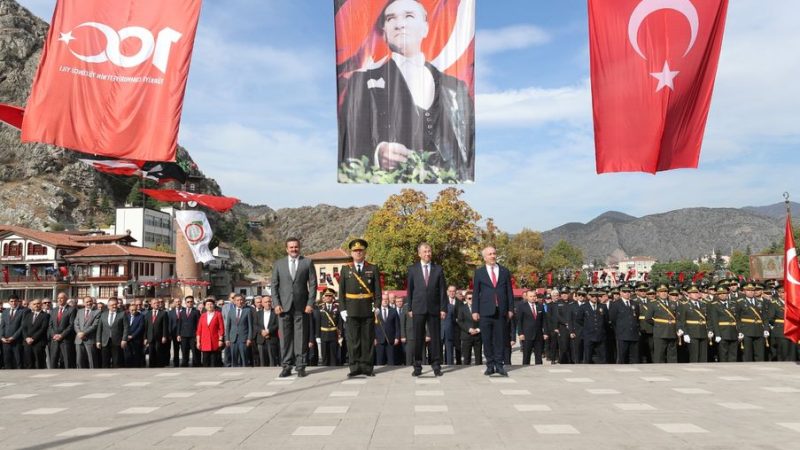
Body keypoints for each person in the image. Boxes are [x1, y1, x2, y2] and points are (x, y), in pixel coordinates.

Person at [338, 0, 474, 182]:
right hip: (392, 184)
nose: (400, 24)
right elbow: (350, 137)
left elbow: (466, 142)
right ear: (384, 33)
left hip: (448, 186)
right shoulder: (360, 82)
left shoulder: (455, 88)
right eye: (390, 18)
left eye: (409, 16)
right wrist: (378, 153)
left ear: (425, 28)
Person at [271, 237, 318, 378]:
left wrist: (310, 303)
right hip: (283, 307)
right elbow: (274, 285)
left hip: (301, 306)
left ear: (299, 247)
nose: (294, 249)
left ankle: (301, 366)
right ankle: (286, 366)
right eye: (291, 247)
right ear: (286, 249)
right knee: (285, 338)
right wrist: (276, 303)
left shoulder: (307, 262)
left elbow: (313, 284)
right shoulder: (279, 264)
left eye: (296, 247)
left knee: (301, 337)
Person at [338, 238, 382, 377]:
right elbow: (341, 292)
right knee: (353, 341)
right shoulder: (346, 269)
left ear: (364, 252)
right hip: (351, 309)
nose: (358, 253)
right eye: (355, 251)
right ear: (351, 253)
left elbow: (378, 291)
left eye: (360, 251)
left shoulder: (372, 268)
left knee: (367, 340)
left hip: (368, 309)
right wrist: (343, 309)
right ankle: (355, 367)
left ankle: (367, 368)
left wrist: (378, 306)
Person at [406, 242, 447, 376]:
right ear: (419, 254)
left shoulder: (438, 269)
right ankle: (417, 366)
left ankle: (436, 365)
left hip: (434, 308)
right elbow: (410, 290)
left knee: (435, 338)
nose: (427, 254)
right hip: (418, 308)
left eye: (429, 251)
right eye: (425, 251)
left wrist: (443, 308)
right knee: (418, 338)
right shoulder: (412, 269)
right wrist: (410, 308)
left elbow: (442, 290)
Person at [471, 246, 514, 377]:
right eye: (490, 254)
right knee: (487, 339)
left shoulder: (504, 271)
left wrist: (510, 308)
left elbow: (509, 292)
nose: (493, 256)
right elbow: (475, 293)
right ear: (484, 257)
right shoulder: (479, 272)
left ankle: (499, 365)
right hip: (485, 311)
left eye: (494, 253)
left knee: (500, 339)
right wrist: (475, 310)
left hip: (501, 310)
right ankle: (490, 365)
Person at [678, 284, 711, 363]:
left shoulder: (704, 304)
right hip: (692, 332)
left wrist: (710, 330)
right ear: (688, 294)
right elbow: (682, 321)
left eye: (696, 292)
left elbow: (708, 319)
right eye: (693, 293)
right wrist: (685, 333)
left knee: (703, 356)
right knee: (694, 355)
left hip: (703, 332)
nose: (695, 294)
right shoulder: (684, 305)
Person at [575, 290, 609, 364]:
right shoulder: (583, 307)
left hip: (600, 335)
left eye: (596, 296)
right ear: (588, 296)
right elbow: (579, 320)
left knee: (603, 357)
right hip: (588, 335)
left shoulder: (603, 306)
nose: (594, 297)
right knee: (587, 356)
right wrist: (587, 326)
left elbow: (606, 320)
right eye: (592, 296)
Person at [609, 286, 640, 364]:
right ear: (621, 293)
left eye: (629, 292)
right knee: (622, 357)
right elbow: (613, 319)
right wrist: (619, 330)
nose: (627, 294)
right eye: (625, 292)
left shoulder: (635, 304)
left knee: (634, 357)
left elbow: (636, 318)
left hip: (633, 334)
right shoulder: (615, 304)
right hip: (622, 334)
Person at [95, 297, 128, 368]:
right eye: (112, 305)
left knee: (117, 362)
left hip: (117, 341)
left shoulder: (122, 314)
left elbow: (126, 328)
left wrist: (124, 339)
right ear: (108, 306)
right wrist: (98, 341)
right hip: (105, 341)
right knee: (105, 362)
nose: (115, 306)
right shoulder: (103, 314)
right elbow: (99, 328)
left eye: (116, 304)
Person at [517, 290, 547, 365]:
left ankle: (539, 371)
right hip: (527, 335)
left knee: (538, 356)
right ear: (527, 297)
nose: (533, 298)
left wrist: (545, 332)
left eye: (534, 296)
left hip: (538, 335)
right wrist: (520, 333)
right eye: (531, 296)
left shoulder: (540, 306)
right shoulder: (522, 307)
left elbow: (544, 320)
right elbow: (519, 321)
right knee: (526, 356)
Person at [48, 291, 76, 368]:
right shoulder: (54, 310)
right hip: (54, 340)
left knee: (67, 361)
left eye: (62, 298)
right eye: (58, 298)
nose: (59, 300)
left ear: (66, 299)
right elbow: (50, 325)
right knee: (53, 361)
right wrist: (53, 335)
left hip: (65, 339)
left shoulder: (71, 309)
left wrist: (61, 335)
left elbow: (71, 325)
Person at [225, 294, 253, 368]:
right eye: (237, 300)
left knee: (244, 357)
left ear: (243, 301)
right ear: (234, 302)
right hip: (233, 338)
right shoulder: (231, 311)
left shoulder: (247, 311)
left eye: (241, 300)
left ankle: (245, 370)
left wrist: (249, 338)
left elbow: (250, 326)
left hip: (243, 338)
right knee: (234, 357)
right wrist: (227, 338)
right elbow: (228, 326)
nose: (239, 302)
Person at [21, 298, 49, 369]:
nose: (36, 305)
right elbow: (24, 328)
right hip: (27, 343)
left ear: (41, 305)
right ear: (32, 306)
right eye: (34, 304)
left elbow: (43, 329)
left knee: (39, 363)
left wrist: (33, 338)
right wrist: (26, 338)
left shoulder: (46, 315)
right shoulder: (28, 315)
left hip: (38, 343)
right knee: (29, 363)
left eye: (38, 303)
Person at [317, 289, 342, 366]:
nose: (328, 297)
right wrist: (317, 336)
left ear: (332, 297)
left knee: (333, 355)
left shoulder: (337, 307)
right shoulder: (320, 308)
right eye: (326, 296)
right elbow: (318, 323)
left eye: (330, 296)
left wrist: (340, 335)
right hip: (323, 334)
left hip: (333, 334)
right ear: (324, 296)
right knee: (324, 356)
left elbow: (340, 322)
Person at [197, 298, 225, 367]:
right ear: (205, 306)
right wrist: (198, 342)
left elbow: (221, 328)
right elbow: (199, 330)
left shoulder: (218, 314)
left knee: (214, 362)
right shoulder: (203, 316)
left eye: (211, 304)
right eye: (208, 304)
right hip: (205, 341)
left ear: (214, 305)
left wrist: (220, 339)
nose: (209, 306)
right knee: (205, 361)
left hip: (214, 341)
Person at [254, 295, 281, 367]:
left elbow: (277, 324)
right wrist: (261, 331)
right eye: (265, 302)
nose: (268, 303)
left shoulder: (275, 313)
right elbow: (255, 325)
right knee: (262, 361)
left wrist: (269, 331)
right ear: (262, 303)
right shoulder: (257, 314)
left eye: (269, 302)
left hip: (272, 339)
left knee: (272, 360)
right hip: (261, 340)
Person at [456, 291, 481, 365]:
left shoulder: (480, 307)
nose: (471, 300)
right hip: (466, 335)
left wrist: (478, 329)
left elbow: (483, 320)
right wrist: (469, 329)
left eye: (473, 298)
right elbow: (460, 321)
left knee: (478, 358)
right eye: (469, 298)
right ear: (466, 299)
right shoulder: (462, 308)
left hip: (478, 336)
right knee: (466, 359)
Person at [1, 294, 26, 369]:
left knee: (18, 362)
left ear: (18, 301)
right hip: (5, 341)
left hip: (17, 341)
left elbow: (22, 326)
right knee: (7, 361)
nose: (13, 303)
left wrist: (13, 337)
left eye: (15, 301)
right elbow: (2, 326)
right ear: (8, 302)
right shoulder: (5, 312)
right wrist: (1, 337)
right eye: (11, 301)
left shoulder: (23, 311)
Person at [74, 296, 100, 369]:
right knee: (79, 360)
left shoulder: (97, 312)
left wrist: (84, 333)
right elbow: (76, 323)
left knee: (92, 360)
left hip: (90, 339)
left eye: (90, 301)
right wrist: (79, 333)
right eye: (87, 302)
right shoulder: (79, 311)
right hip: (79, 339)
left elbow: (95, 325)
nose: (89, 303)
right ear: (83, 303)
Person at [375, 293, 400, 365]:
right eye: (383, 299)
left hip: (391, 340)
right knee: (379, 361)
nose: (385, 301)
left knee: (391, 361)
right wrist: (374, 338)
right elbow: (373, 326)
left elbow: (397, 326)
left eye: (386, 299)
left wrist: (397, 337)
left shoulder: (393, 311)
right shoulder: (376, 311)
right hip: (379, 340)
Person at [145, 298, 169, 368]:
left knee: (159, 350)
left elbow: (165, 326)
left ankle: (160, 364)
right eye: (155, 303)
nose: (157, 304)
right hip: (150, 336)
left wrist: (164, 336)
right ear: (151, 304)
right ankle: (151, 365)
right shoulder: (148, 314)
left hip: (159, 336)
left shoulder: (163, 313)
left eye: (157, 303)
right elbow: (146, 327)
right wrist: (145, 337)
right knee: (151, 351)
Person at [178, 296, 201, 367]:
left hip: (193, 335)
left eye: (191, 301)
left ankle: (196, 363)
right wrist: (178, 334)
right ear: (185, 303)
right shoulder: (182, 312)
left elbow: (198, 324)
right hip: (184, 335)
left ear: (193, 302)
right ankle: (185, 363)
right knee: (184, 350)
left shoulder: (196, 312)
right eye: (188, 302)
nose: (190, 303)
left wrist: (198, 336)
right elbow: (179, 324)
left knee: (195, 351)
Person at [125, 299, 146, 368]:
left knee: (136, 354)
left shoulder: (140, 316)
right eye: (132, 310)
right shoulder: (126, 316)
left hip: (136, 339)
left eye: (135, 310)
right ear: (129, 310)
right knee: (128, 354)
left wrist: (132, 336)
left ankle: (137, 366)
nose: (133, 311)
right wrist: (127, 336)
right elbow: (124, 326)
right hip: (127, 338)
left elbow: (140, 327)